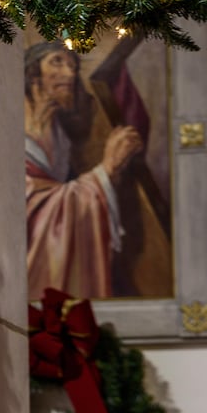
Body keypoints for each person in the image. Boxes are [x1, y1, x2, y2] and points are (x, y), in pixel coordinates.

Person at [25, 42, 143, 298]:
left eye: (73, 66)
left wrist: (113, 171)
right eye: (57, 62)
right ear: (32, 73)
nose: (69, 74)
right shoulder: (9, 132)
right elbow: (32, 206)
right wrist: (106, 170)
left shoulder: (60, 139)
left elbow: (59, 199)